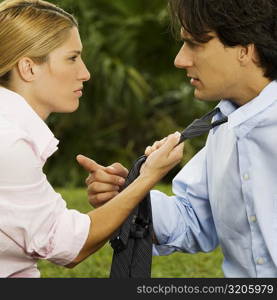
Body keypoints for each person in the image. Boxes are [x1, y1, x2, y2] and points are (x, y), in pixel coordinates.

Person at [81, 0, 277, 277]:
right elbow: (193, 218)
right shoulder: (222, 125)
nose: (180, 60)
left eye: (196, 43)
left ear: (245, 49)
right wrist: (125, 196)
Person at [0, 0, 184, 278]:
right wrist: (147, 177)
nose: (85, 73)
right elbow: (68, 246)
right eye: (72, 58)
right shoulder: (10, 143)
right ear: (28, 68)